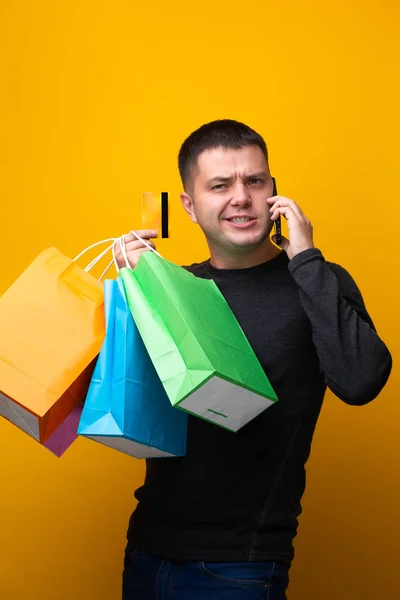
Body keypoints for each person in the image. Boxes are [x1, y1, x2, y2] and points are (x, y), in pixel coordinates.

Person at [114, 119, 392, 599]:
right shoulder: (170, 288)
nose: (240, 197)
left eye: (255, 180)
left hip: (239, 567)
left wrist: (306, 258)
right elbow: (123, 398)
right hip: (145, 552)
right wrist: (131, 292)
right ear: (190, 205)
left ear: (274, 193)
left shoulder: (316, 280)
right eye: (220, 185)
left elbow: (362, 380)